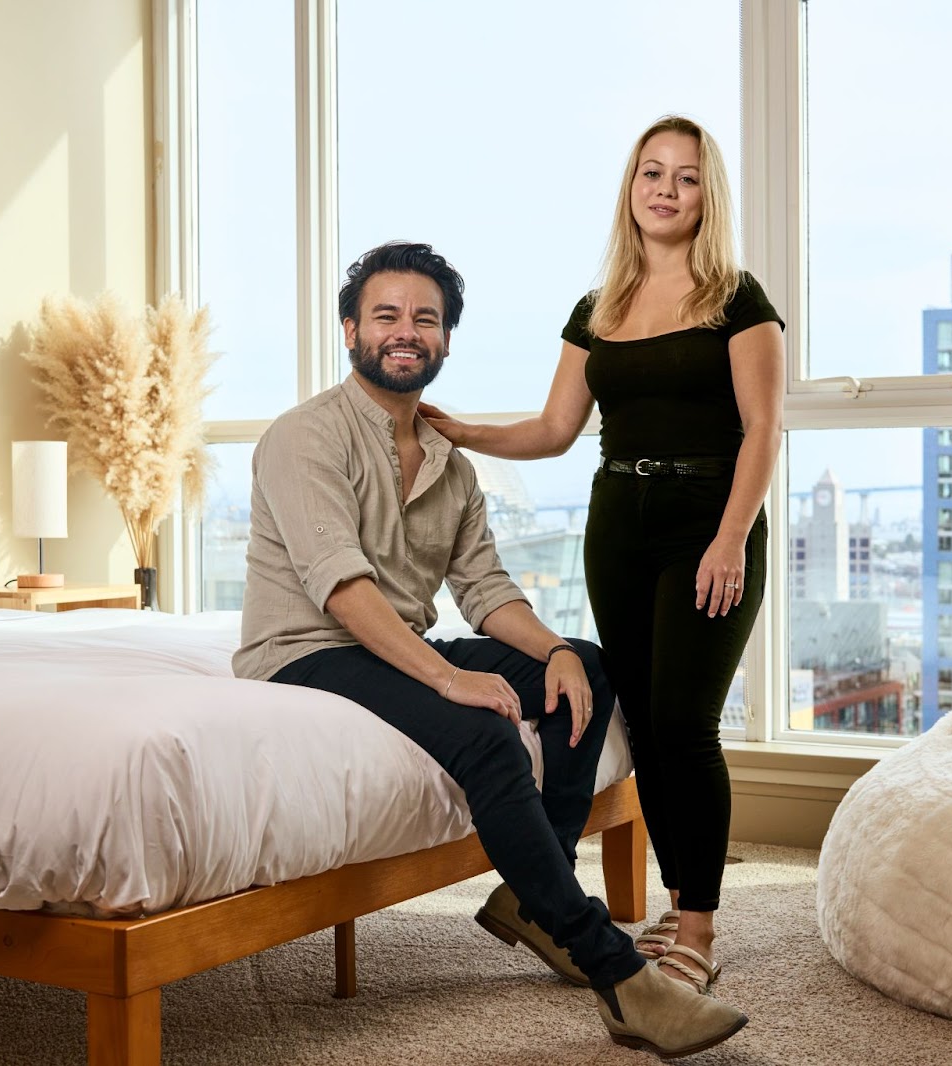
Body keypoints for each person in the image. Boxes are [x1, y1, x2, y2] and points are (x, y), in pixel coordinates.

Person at [234, 241, 748, 1058]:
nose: (406, 331)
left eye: (425, 319)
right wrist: (449, 678)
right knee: (485, 734)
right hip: (308, 648)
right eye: (387, 315)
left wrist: (556, 653)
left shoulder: (449, 464)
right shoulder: (305, 438)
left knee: (589, 670)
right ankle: (620, 976)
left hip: (397, 640)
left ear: (443, 341)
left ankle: (526, 897)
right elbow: (341, 590)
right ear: (349, 331)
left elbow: (485, 589)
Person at [419, 116, 785, 994]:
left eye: (687, 177)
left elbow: (765, 427)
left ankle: (697, 925)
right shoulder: (599, 307)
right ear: (630, 188)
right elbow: (554, 429)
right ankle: (673, 900)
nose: (666, 189)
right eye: (651, 173)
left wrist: (731, 536)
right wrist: (463, 430)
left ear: (708, 195)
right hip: (618, 518)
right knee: (645, 722)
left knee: (685, 723)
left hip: (710, 516)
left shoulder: (737, 296)